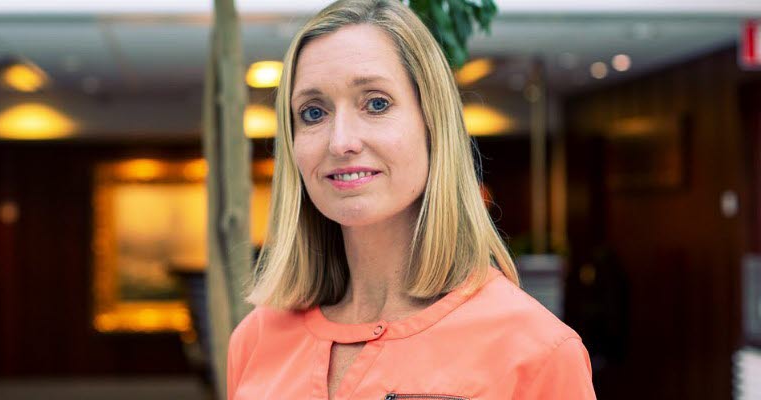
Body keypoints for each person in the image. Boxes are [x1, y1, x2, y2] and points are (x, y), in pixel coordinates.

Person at [226, 0, 596, 399]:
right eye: (313, 113)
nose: (341, 142)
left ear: (432, 125)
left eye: (376, 103)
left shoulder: (535, 350)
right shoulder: (256, 339)